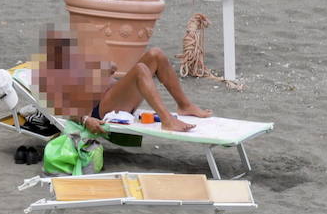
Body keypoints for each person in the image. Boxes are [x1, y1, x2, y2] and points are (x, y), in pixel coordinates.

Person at [35, 29, 212, 136]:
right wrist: (86, 119)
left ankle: (185, 105)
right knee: (141, 70)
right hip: (101, 109)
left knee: (155, 54)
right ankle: (167, 120)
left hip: (116, 94)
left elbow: (112, 67)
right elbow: (63, 108)